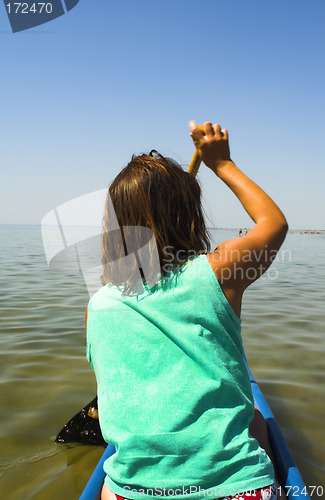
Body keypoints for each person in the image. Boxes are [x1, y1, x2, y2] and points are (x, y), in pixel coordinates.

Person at [86, 121, 288, 500]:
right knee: (257, 423)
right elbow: (273, 224)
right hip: (232, 489)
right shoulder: (217, 272)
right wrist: (222, 163)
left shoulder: (98, 305)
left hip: (131, 492)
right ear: (189, 215)